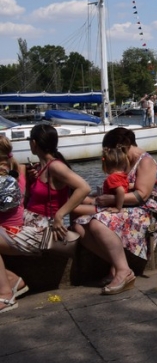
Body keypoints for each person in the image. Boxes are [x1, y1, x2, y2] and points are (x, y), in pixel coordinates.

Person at [1, 126, 90, 304]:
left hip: (41, 230)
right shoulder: (41, 168)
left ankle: (5, 294)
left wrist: (60, 215)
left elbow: (84, 187)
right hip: (30, 224)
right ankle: (12, 280)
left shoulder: (55, 166)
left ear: (34, 143)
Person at [72, 127, 157, 295]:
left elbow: (142, 195)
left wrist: (110, 200)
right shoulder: (125, 161)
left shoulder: (145, 161)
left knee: (97, 223)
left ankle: (122, 271)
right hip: (125, 208)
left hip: (143, 211)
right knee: (78, 226)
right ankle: (120, 264)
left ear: (122, 146)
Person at [0, 135, 28, 314]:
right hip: (14, 228)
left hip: (10, 232)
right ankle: (14, 281)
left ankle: (6, 295)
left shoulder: (4, 180)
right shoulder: (16, 170)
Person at [99, 148, 129, 215]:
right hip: (123, 205)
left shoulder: (112, 178)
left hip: (111, 205)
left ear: (105, 166)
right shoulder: (123, 176)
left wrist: (118, 208)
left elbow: (121, 191)